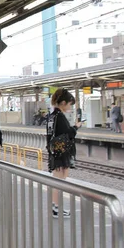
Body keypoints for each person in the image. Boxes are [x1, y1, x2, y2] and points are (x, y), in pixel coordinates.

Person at [47, 89, 82, 218]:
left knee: (58, 179)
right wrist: (76, 127)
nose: (70, 107)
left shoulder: (52, 116)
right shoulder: (59, 116)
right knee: (59, 181)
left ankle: (56, 207)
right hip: (60, 153)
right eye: (69, 104)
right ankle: (55, 208)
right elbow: (67, 134)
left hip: (54, 151)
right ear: (62, 103)